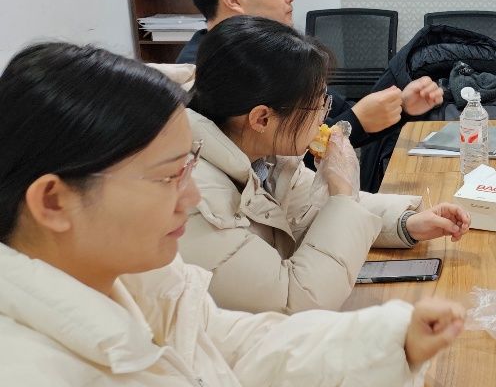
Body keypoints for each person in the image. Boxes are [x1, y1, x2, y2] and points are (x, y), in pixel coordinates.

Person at [0, 42, 464, 387]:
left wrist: (391, 341)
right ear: (54, 202)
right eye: (168, 177)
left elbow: (244, 350)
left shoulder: (138, 280)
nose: (191, 196)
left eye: (188, 169)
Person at [181, 16, 470, 314]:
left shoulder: (266, 155)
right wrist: (343, 191)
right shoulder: (196, 201)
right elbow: (295, 301)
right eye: (317, 104)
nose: (323, 116)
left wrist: (406, 223)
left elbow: (312, 208)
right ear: (262, 118)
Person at [177, 0, 444, 148]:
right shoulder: (205, 78)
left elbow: (337, 113)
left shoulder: (274, 53)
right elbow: (278, 162)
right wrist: (356, 121)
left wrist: (401, 105)